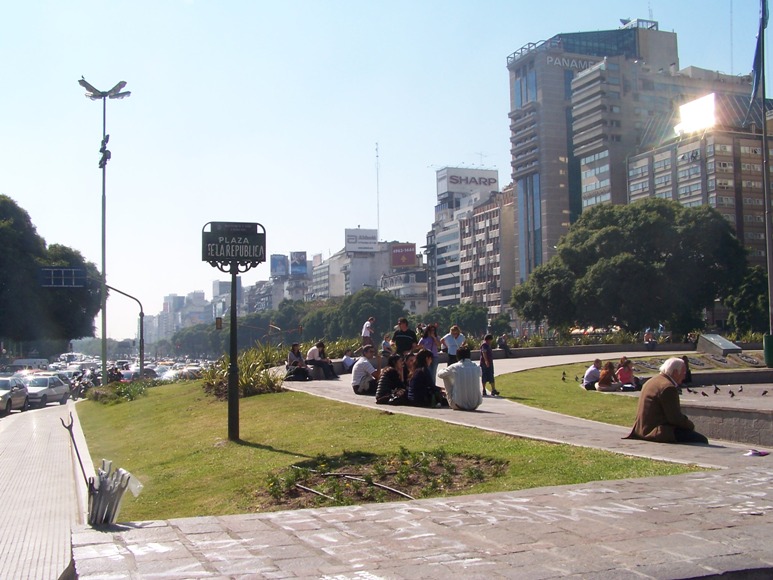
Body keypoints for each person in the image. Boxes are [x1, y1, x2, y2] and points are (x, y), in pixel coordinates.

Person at [626, 357, 709, 444]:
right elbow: (675, 418)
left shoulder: (651, 381)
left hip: (641, 429)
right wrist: (690, 425)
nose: (684, 376)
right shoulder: (668, 387)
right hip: (656, 431)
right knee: (702, 440)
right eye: (683, 373)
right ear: (676, 372)